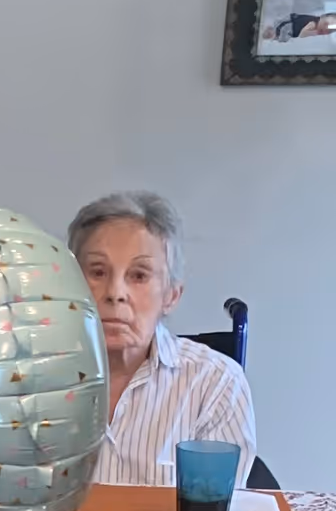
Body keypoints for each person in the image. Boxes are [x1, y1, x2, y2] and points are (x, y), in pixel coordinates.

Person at [67, 190, 255, 486]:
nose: (115, 293)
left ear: (171, 296)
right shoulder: (27, 378)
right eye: (98, 271)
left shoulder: (216, 383)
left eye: (139, 275)